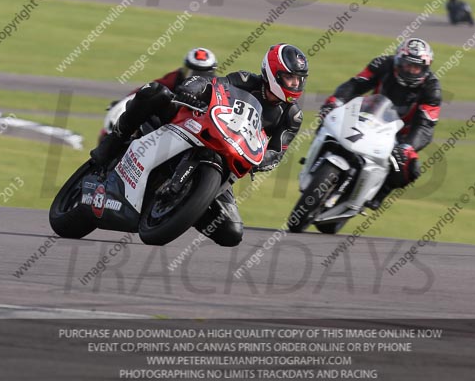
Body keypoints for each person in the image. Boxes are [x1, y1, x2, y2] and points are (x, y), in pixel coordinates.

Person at [90, 43, 309, 246]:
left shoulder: (292, 115)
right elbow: (215, 84)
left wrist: (263, 160)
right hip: (199, 127)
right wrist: (195, 87)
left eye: (299, 79)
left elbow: (278, 151)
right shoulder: (245, 80)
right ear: (272, 73)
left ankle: (188, 207)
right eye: (289, 78)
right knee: (155, 92)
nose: (295, 84)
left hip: (229, 157)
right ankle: (112, 142)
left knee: (231, 233)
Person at [319, 38, 441, 210]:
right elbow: (355, 85)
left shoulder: (432, 89)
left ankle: (380, 193)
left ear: (426, 68)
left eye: (417, 68)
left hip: (401, 133)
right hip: (369, 115)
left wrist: (408, 146)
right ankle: (318, 156)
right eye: (408, 65)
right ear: (398, 60)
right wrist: (335, 101)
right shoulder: (382, 64)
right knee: (330, 116)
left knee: (411, 167)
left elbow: (425, 126)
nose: (412, 71)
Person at [98, 47, 218, 143]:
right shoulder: (176, 77)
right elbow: (150, 88)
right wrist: (124, 101)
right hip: (168, 123)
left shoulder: (215, 87)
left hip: (196, 127)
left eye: (199, 72)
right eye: (189, 71)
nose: (193, 76)